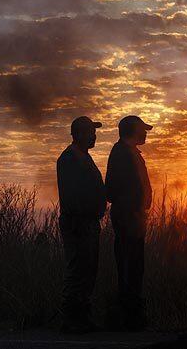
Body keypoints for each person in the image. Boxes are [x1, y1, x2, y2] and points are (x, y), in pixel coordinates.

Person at [56, 116, 106, 334]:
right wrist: (83, 217)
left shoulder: (84, 157)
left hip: (88, 222)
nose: (94, 135)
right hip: (78, 223)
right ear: (77, 134)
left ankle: (82, 318)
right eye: (89, 131)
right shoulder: (69, 158)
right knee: (77, 270)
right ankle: (71, 319)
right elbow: (73, 196)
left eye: (94, 132)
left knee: (88, 271)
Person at [105, 115, 153, 330]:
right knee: (128, 265)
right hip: (127, 219)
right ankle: (127, 318)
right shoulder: (121, 154)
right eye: (143, 129)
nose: (145, 133)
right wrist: (132, 209)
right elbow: (113, 189)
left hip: (134, 219)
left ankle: (132, 317)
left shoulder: (131, 153)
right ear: (132, 130)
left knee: (135, 266)